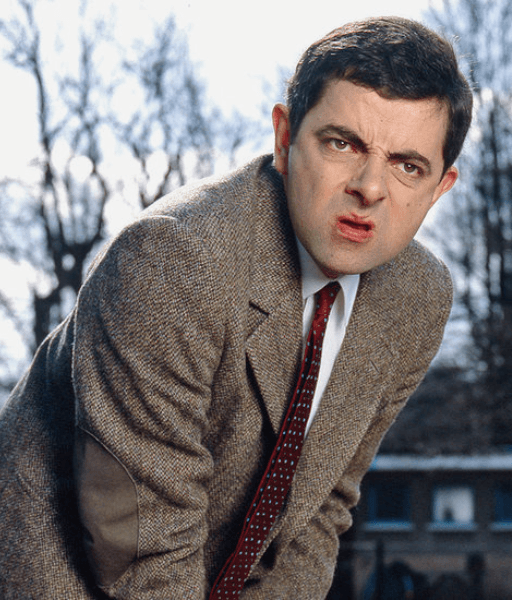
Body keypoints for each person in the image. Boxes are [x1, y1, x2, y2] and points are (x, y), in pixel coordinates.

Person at [0, 16, 472, 599]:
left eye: (407, 165)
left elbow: (319, 511)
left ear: (439, 186)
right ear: (284, 138)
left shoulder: (418, 299)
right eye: (341, 142)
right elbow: (143, 543)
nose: (370, 187)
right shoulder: (173, 259)